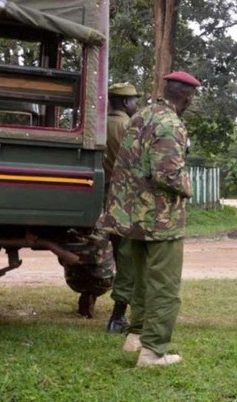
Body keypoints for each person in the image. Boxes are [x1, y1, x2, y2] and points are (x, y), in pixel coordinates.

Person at [99, 71, 201, 367]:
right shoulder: (171, 124)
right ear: (188, 96)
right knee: (164, 286)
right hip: (160, 219)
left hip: (131, 215)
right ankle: (153, 351)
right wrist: (188, 186)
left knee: (141, 280)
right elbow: (166, 174)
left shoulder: (141, 116)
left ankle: (136, 336)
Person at [104, 82, 141, 334]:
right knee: (128, 258)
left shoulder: (100, 123)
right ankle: (117, 317)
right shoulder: (127, 127)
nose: (136, 105)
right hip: (125, 198)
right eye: (134, 101)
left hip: (105, 195)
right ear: (126, 103)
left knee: (115, 253)